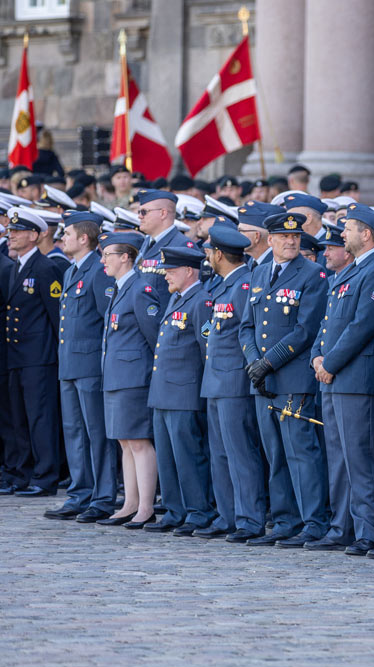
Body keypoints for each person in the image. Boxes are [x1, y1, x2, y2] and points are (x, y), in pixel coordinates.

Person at [239, 212, 330, 548]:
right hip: (263, 380)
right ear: (270, 239)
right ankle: (284, 520)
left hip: (292, 378)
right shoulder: (260, 272)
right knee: (275, 453)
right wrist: (253, 363)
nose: (291, 242)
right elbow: (246, 326)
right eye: (283, 237)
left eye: (296, 237)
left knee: (300, 453)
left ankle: (313, 521)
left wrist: (268, 362)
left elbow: (305, 330)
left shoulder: (312, 274)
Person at [308, 207, 374, 555]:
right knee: (339, 456)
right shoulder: (352, 271)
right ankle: (341, 525)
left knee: (361, 457)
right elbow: (329, 322)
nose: (342, 235)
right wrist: (317, 356)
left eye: (348, 229)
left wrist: (329, 362)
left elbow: (362, 325)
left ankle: (368, 530)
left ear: (367, 234)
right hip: (334, 377)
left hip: (357, 378)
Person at [45, 213, 117, 521]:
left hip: (90, 365)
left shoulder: (97, 271)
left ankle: (102, 496)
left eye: (68, 233)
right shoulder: (73, 270)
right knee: (74, 431)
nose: (62, 238)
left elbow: (108, 321)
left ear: (84, 238)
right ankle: (80, 492)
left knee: (96, 433)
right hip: (70, 365)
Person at [200, 225, 267, 543]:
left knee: (240, 453)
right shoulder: (222, 284)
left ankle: (249, 518)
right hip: (215, 380)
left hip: (234, 382)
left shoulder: (243, 285)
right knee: (220, 453)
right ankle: (227, 515)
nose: (207, 256)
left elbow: (247, 333)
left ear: (218, 254)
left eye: (209, 252)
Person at [145, 247, 215, 536]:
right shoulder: (177, 298)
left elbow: (206, 350)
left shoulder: (200, 301)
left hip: (185, 394)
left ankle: (198, 511)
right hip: (164, 393)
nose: (165, 277)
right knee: (168, 457)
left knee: (189, 457)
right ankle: (175, 510)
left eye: (171, 272)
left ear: (189, 272)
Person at [97, 232, 161, 529]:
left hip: (134, 377)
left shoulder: (139, 288)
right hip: (117, 376)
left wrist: (147, 373)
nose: (103, 260)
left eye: (108, 254)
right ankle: (130, 503)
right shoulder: (120, 287)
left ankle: (146, 506)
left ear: (125, 256)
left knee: (138, 441)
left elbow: (153, 336)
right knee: (125, 442)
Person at [4, 209, 62, 497]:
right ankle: (21, 473)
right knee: (19, 418)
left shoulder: (44, 267)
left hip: (39, 357)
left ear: (35, 235)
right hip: (18, 354)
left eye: (18, 230)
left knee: (41, 418)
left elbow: (55, 317)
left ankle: (46, 476)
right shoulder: (18, 266)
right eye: (11, 230)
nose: (11, 234)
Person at [135, 190, 197, 312]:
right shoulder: (147, 242)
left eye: (144, 212)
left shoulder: (181, 245)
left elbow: (187, 296)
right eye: (139, 212)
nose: (139, 216)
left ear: (163, 213)